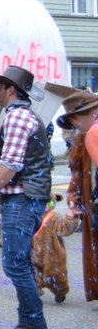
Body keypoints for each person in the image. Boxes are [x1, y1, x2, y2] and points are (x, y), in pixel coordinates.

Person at [0, 65, 54, 329]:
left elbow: (10, 164)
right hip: (25, 198)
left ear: (12, 90)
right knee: (21, 264)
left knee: (16, 265)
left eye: (0, 86)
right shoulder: (20, 115)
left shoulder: (18, 117)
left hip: (23, 199)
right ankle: (26, 325)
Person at [60, 88, 98, 303]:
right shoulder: (85, 136)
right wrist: (73, 201)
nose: (75, 125)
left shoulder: (91, 133)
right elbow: (77, 172)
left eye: (75, 119)